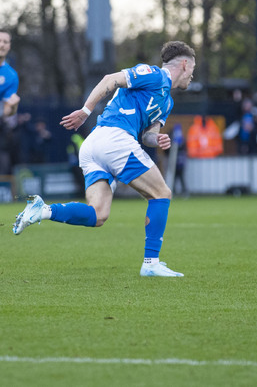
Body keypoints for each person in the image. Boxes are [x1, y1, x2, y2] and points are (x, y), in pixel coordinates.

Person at [13, 41, 196, 278]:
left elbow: (148, 135)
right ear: (184, 64)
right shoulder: (154, 75)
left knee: (98, 215)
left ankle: (43, 210)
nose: (192, 76)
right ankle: (151, 263)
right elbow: (110, 78)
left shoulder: (167, 102)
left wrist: (157, 140)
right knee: (162, 194)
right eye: (193, 69)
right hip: (113, 138)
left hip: (95, 146)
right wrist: (86, 111)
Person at [0, 29, 21, 174]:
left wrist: (13, 107)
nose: (1, 45)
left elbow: (5, 113)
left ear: (9, 46)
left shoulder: (11, 76)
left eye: (5, 42)